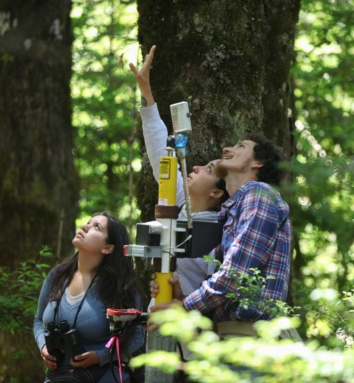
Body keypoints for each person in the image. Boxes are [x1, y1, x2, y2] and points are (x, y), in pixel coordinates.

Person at [150, 133, 292, 338]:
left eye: (240, 146)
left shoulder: (258, 194)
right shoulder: (233, 208)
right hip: (230, 337)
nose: (226, 149)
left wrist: (185, 306)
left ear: (258, 162)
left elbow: (236, 274)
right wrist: (182, 297)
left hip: (252, 340)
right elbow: (228, 286)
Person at [129, 45, 229, 296]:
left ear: (217, 193)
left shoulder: (220, 230)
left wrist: (180, 292)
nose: (195, 166)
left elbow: (216, 286)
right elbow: (160, 154)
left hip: (192, 326)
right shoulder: (181, 200)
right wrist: (146, 92)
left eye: (208, 169)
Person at [33, 212, 145, 383]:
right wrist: (43, 346)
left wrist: (102, 356)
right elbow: (38, 320)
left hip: (104, 377)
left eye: (96, 227)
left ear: (108, 248)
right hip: (59, 377)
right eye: (88, 222)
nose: (85, 226)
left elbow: (137, 337)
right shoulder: (57, 276)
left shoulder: (120, 286)